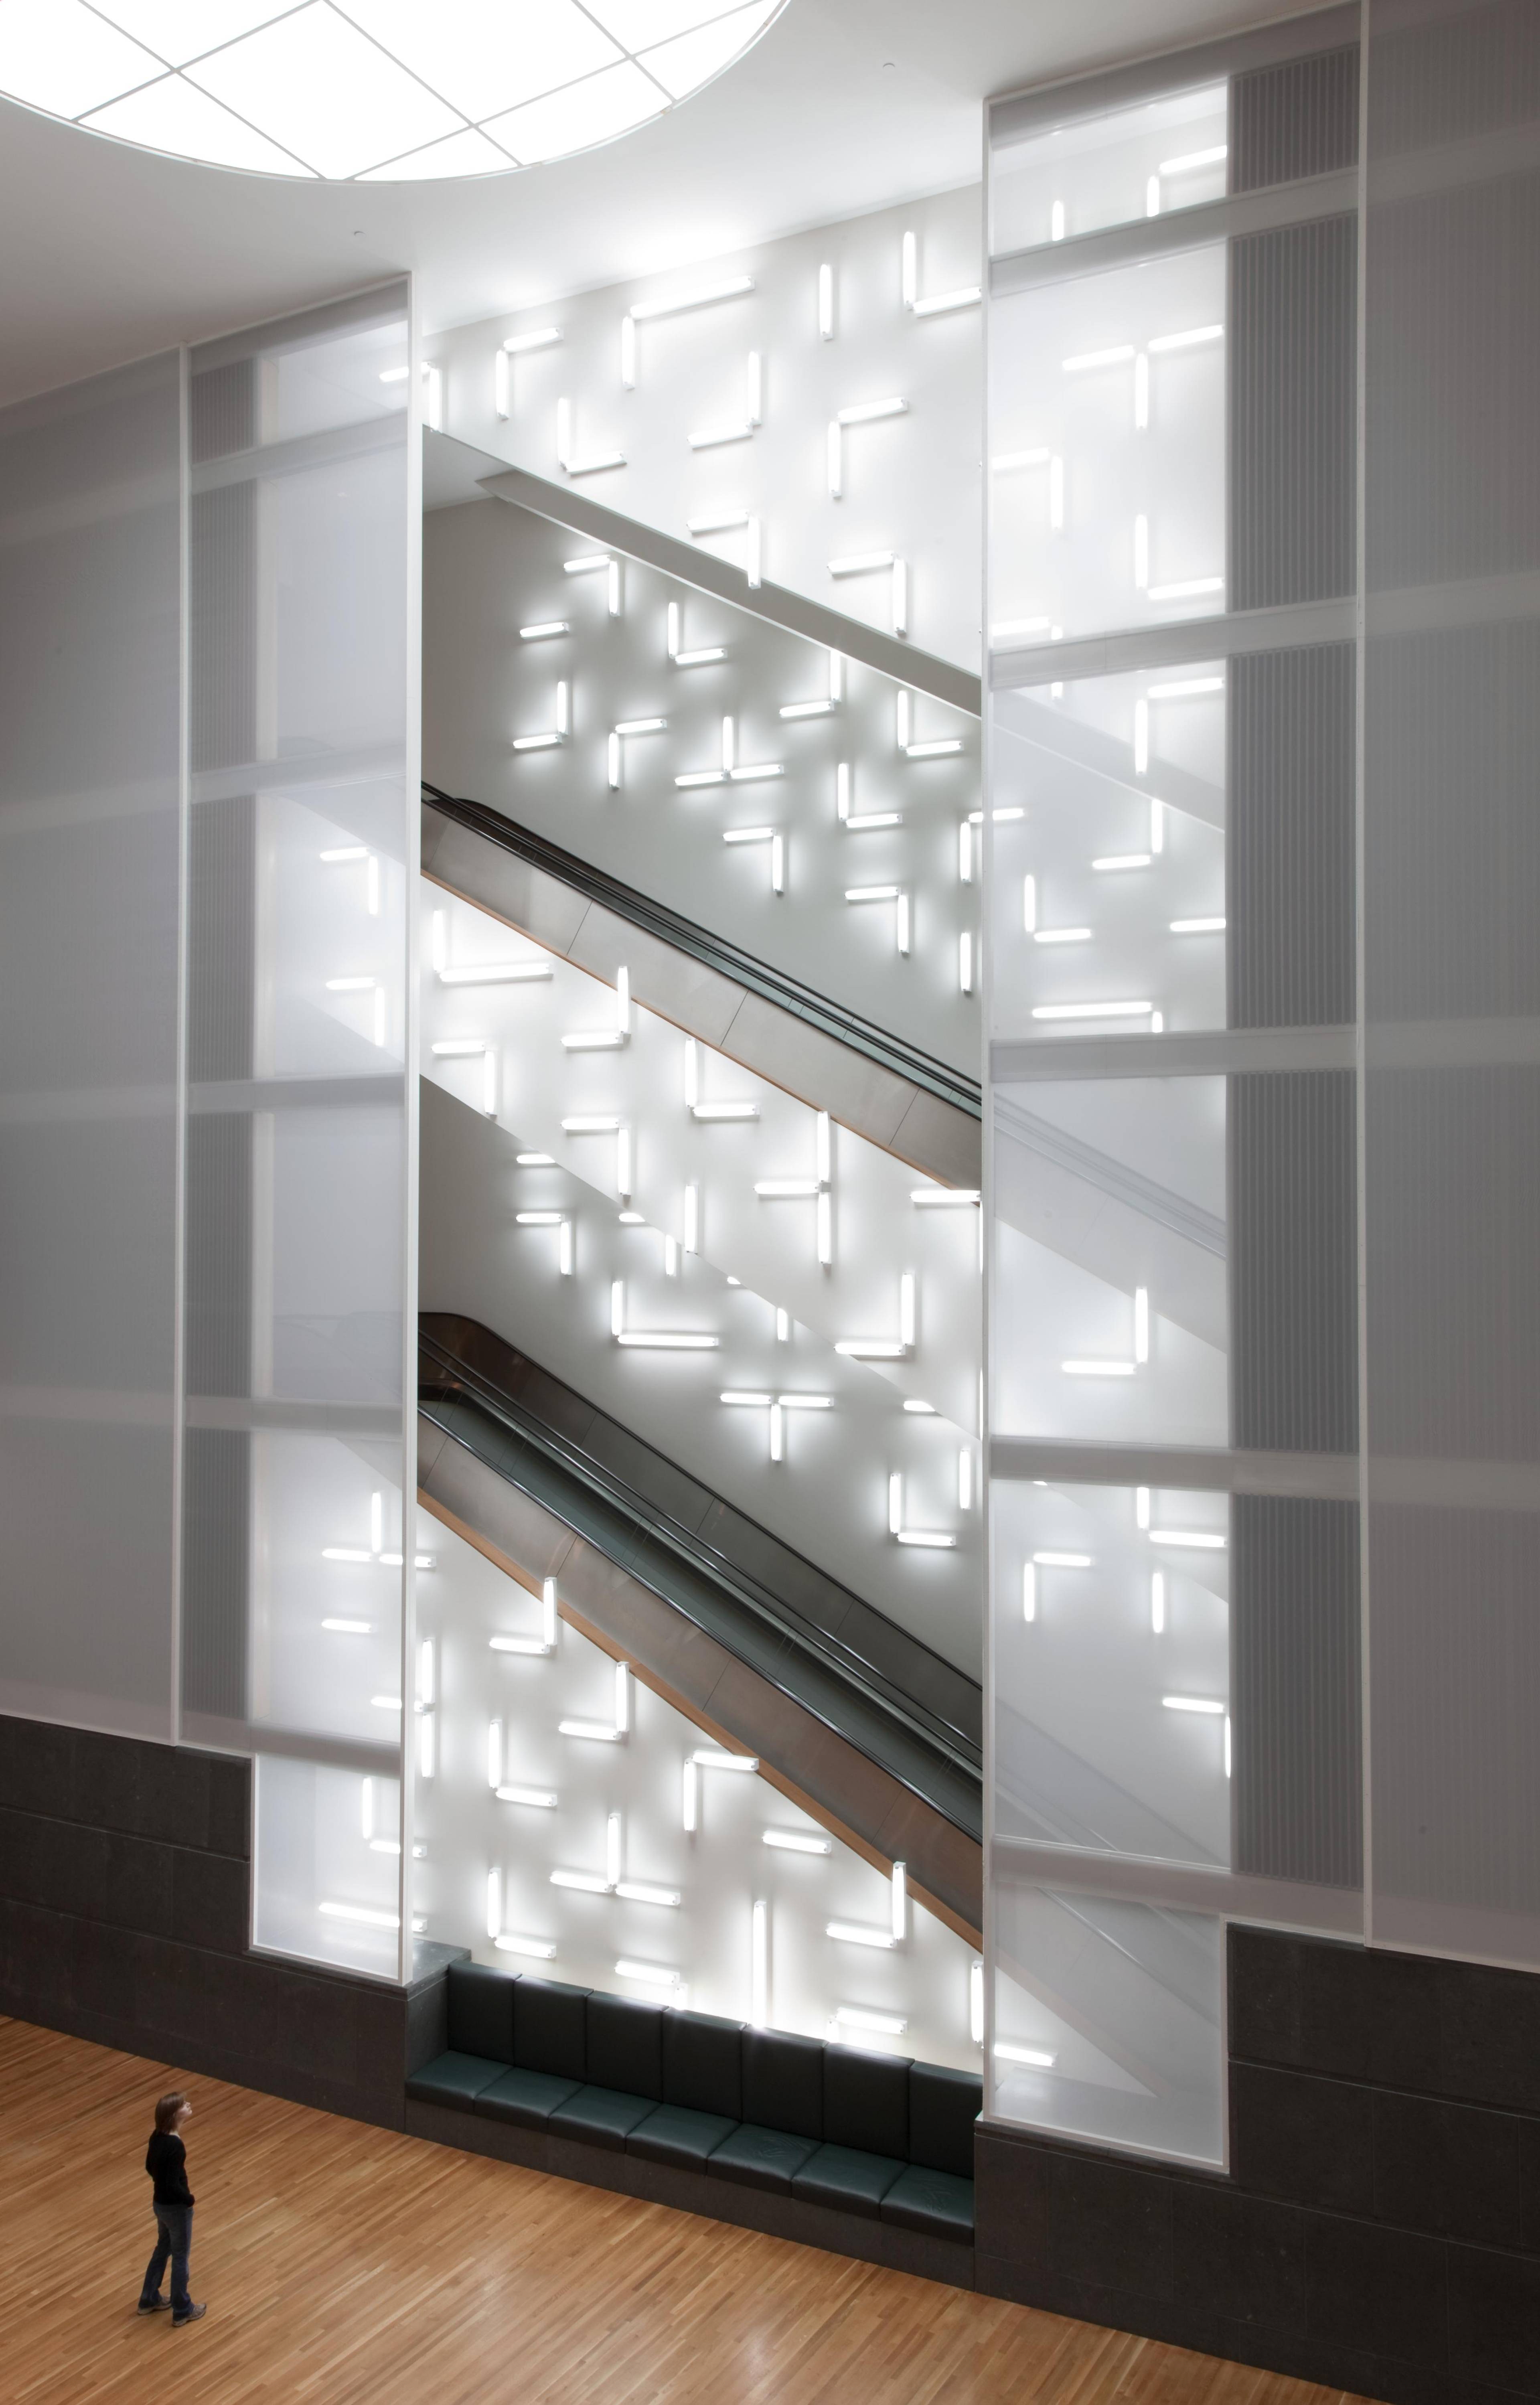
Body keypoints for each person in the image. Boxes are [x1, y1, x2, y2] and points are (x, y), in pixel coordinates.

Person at [138, 2092, 206, 2326]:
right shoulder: (176, 2145)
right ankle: (182, 2309)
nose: (189, 2105)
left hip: (160, 2204)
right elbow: (172, 2183)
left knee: (163, 2249)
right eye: (184, 2105)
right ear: (175, 2114)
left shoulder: (157, 2136)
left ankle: (148, 2299)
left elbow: (150, 2167)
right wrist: (189, 2199)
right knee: (180, 2257)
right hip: (177, 2209)